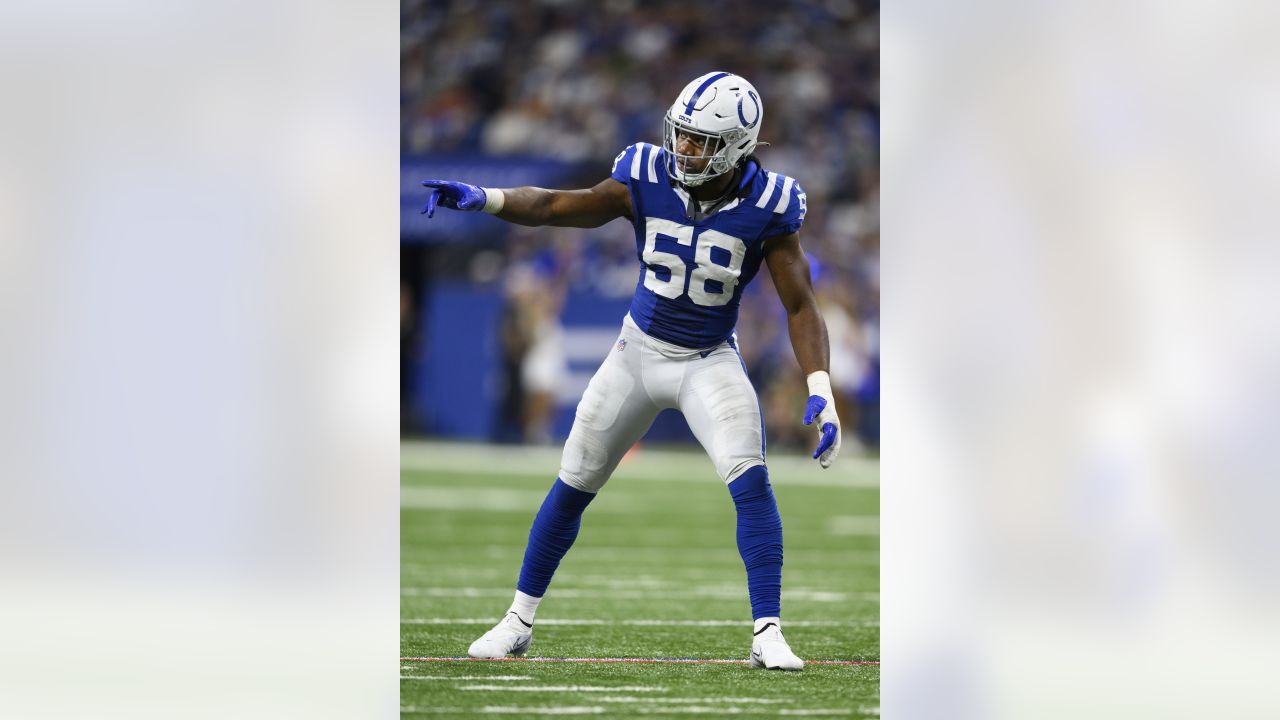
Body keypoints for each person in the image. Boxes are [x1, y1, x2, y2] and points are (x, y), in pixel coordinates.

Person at [420, 72, 840, 671]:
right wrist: (486, 197)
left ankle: (768, 630)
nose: (682, 149)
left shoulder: (772, 205)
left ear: (737, 146)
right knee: (573, 482)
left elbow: (801, 305)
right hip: (635, 354)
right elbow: (560, 205)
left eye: (699, 141)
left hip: (708, 361)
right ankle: (517, 620)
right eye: (681, 135)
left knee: (750, 479)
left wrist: (819, 387)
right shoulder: (645, 172)